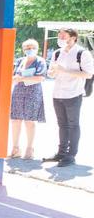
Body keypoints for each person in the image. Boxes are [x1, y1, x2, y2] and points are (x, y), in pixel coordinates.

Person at [45, 28, 94, 167]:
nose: (60, 37)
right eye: (59, 35)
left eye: (63, 35)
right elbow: (51, 73)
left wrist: (64, 70)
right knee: (62, 124)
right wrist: (54, 72)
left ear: (73, 37)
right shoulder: (57, 53)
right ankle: (61, 153)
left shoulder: (81, 53)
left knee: (73, 124)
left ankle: (71, 155)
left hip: (73, 94)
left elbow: (88, 74)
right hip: (57, 93)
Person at [9, 39, 47, 160]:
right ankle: (15, 148)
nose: (29, 50)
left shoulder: (40, 61)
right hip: (18, 92)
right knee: (15, 120)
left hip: (33, 92)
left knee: (29, 121)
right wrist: (16, 78)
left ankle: (30, 149)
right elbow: (13, 75)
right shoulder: (20, 60)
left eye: (32, 47)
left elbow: (41, 77)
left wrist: (20, 78)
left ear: (36, 48)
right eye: (27, 48)